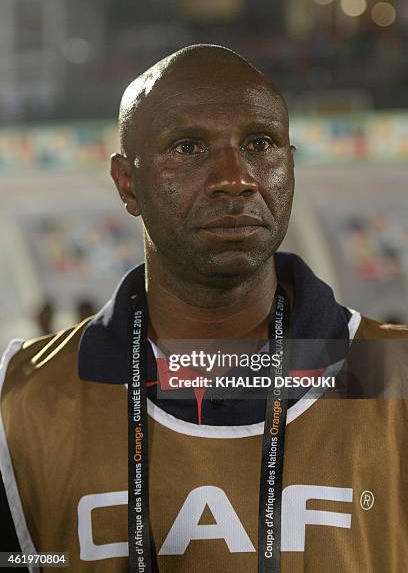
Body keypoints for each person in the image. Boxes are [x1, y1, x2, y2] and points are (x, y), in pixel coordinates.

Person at [0, 44, 407, 573]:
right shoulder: (28, 397)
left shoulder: (391, 372)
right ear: (127, 182)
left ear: (289, 163)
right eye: (188, 147)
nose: (234, 178)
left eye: (260, 143)